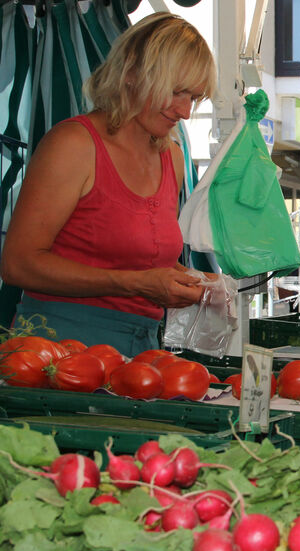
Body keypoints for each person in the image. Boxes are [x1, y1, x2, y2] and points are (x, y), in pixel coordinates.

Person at [0, 13, 218, 357]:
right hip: (56, 347)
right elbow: (18, 264)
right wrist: (134, 283)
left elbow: (140, 259)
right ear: (132, 74)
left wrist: (194, 282)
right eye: (176, 92)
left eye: (193, 98)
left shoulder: (172, 157)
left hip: (140, 349)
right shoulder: (73, 144)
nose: (185, 112)